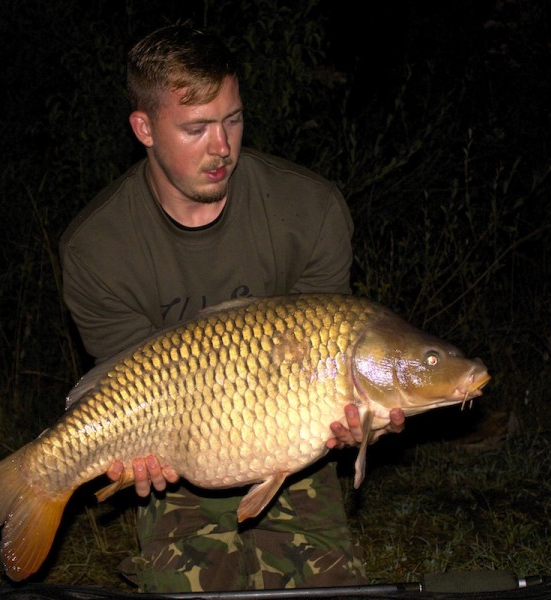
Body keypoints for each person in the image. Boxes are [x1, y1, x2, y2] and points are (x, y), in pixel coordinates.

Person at [59, 23, 405, 593]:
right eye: (196, 128)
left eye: (233, 119)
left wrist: (357, 420)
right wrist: (140, 455)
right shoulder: (99, 248)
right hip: (182, 438)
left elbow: (335, 354)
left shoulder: (309, 209)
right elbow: (126, 388)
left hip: (289, 438)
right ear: (143, 128)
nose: (222, 147)